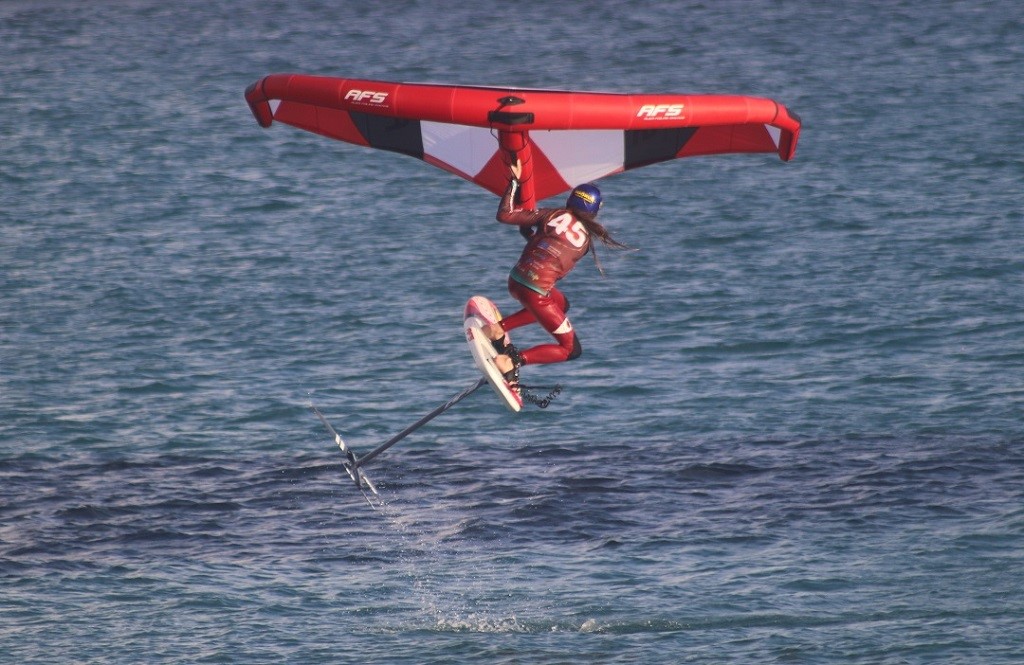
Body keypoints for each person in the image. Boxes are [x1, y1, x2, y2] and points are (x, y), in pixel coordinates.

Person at [483, 159, 629, 387]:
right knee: (571, 350)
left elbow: (506, 216)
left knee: (562, 304)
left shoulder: (551, 214)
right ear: (593, 213)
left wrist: (513, 182)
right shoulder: (584, 243)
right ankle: (511, 361)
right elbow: (555, 261)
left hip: (515, 281)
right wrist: (530, 236)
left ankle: (496, 330)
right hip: (535, 293)